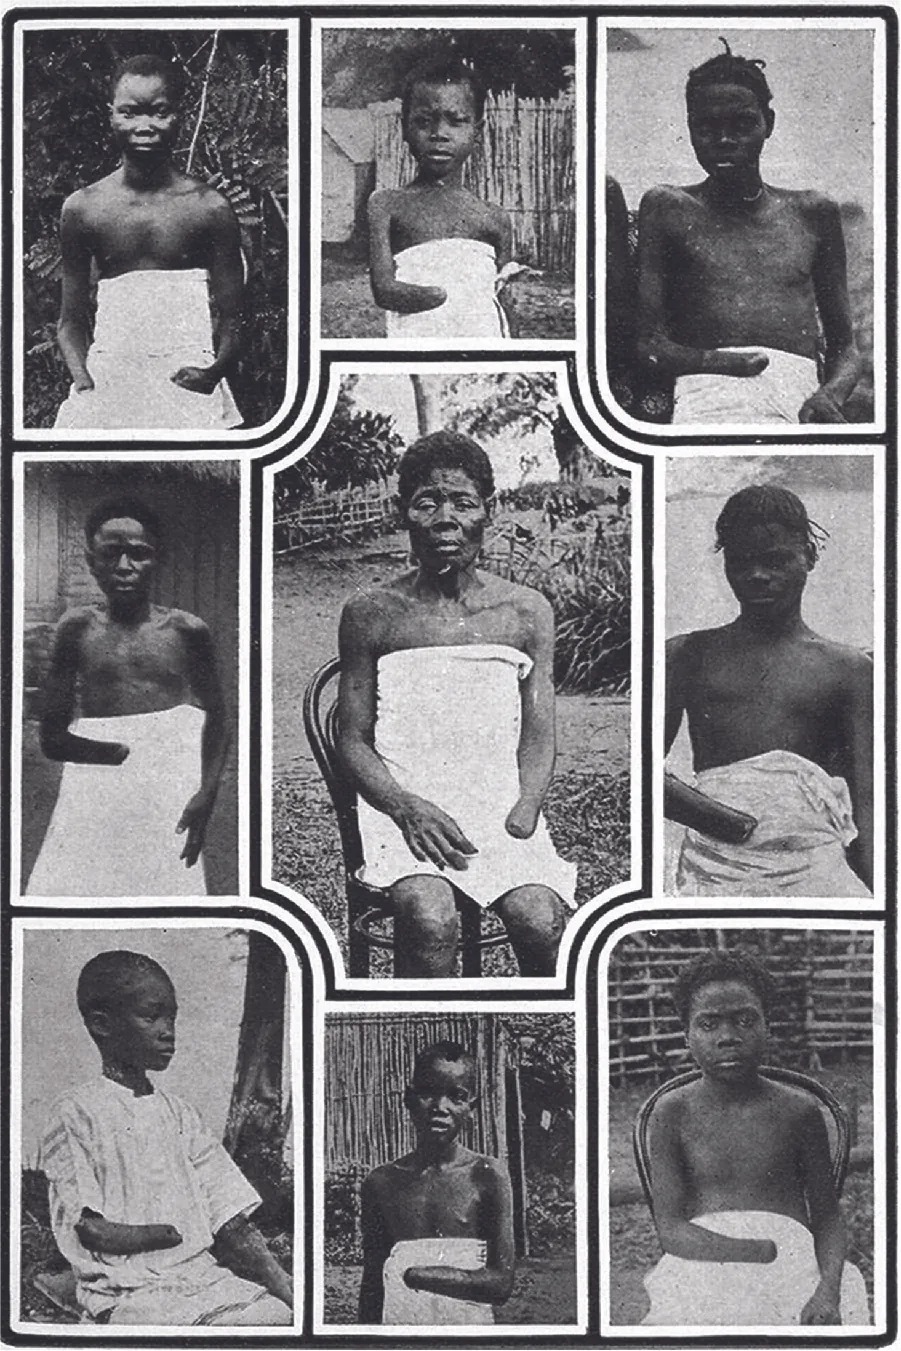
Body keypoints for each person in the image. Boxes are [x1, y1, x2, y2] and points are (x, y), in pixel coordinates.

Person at [337, 431, 576, 977]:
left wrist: (527, 806)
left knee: (541, 920)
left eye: (463, 503)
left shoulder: (525, 611)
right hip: (404, 807)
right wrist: (403, 807)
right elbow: (352, 739)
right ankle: (430, 1021)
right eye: (427, 503)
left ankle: (543, 1024)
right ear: (402, 513)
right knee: (430, 917)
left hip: (499, 806)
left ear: (488, 511)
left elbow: (538, 732)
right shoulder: (371, 612)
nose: (446, 519)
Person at [38, 951, 292, 1326]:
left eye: (171, 1018)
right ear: (101, 1024)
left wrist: (284, 1284)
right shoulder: (76, 1111)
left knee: (278, 1316)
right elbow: (91, 1228)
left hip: (201, 1279)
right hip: (128, 1290)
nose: (167, 1030)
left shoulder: (180, 1114)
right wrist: (161, 1235)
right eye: (151, 1016)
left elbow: (229, 1218)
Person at [640, 948, 870, 1326]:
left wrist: (827, 1290)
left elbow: (827, 1217)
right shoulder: (672, 1112)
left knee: (828, 1315)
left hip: (792, 1262)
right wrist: (756, 1252)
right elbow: (671, 1230)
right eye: (709, 1024)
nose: (728, 1037)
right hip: (705, 1260)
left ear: (768, 1027)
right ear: (687, 1036)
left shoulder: (799, 1111)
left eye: (745, 1021)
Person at [636, 40, 861, 424]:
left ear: (767, 123)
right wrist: (727, 364)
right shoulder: (667, 207)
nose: (725, 139)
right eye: (707, 127)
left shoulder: (813, 212)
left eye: (741, 125)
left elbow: (846, 349)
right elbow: (647, 345)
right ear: (690, 129)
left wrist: (831, 395)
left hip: (799, 399)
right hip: (708, 395)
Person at [665, 484, 872, 897]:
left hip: (816, 866)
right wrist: (726, 822)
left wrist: (879, 898)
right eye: (741, 562)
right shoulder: (687, 654)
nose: (757, 575)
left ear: (809, 557)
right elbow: (638, 771)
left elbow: (868, 802)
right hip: (714, 867)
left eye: (776, 561)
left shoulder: (848, 669)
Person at [26, 497, 229, 896]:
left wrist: (206, 793)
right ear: (91, 561)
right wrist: (118, 753)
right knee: (82, 888)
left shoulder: (187, 631)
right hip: (95, 780)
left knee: (165, 888)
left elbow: (219, 718)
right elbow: (51, 737)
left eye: (138, 554)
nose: (124, 567)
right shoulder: (77, 628)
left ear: (157, 559)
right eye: (111, 554)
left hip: (167, 783)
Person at [53, 53, 243, 431]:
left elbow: (234, 318)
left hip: (189, 384)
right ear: (111, 116)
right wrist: (85, 383)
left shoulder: (210, 208)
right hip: (109, 382)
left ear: (179, 116)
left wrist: (212, 373)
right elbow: (69, 322)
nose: (144, 127)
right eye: (129, 113)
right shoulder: (83, 208)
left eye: (159, 112)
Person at [358, 1040, 515, 1324]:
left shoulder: (487, 1175)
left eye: (456, 1096)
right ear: (408, 1099)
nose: (440, 1107)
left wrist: (414, 1275)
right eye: (428, 1093)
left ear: (471, 1107)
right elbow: (372, 1286)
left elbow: (501, 1284)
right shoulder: (381, 1183)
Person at [367, 56, 518, 340]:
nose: (439, 134)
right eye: (424, 122)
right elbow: (384, 290)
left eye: (456, 122)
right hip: (418, 343)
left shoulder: (495, 218)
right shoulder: (386, 204)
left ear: (477, 132)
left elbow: (503, 299)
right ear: (404, 128)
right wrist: (445, 296)